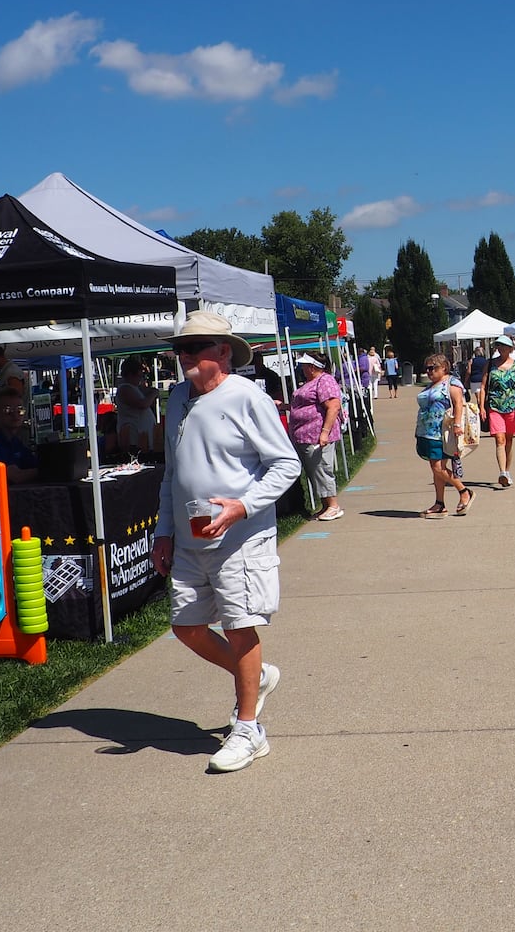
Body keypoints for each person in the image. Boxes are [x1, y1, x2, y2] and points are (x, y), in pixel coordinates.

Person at [149, 311, 301, 773]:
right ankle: (252, 676)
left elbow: (286, 464)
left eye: (194, 349)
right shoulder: (176, 399)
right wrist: (164, 531)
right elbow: (173, 473)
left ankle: (249, 729)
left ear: (222, 352)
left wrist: (242, 506)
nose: (184, 356)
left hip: (240, 538)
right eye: (180, 349)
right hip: (191, 537)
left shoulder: (246, 396)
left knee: (239, 627)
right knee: (186, 627)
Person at [415, 354, 475, 517]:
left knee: (438, 467)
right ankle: (439, 503)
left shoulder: (452, 383)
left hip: (442, 432)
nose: (428, 371)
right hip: (426, 432)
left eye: (432, 368)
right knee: (436, 469)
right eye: (426, 368)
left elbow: (458, 404)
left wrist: (457, 425)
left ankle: (464, 491)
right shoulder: (431, 386)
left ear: (444, 368)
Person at [286, 353, 343, 520]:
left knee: (321, 469)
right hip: (305, 436)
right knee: (314, 471)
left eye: (304, 365)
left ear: (312, 366)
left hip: (317, 435)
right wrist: (285, 406)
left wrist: (324, 433)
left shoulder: (325, 381)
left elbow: (333, 407)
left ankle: (333, 505)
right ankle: (325, 505)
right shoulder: (310, 383)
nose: (301, 368)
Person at [480, 335, 515, 486]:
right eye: (498, 346)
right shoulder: (490, 364)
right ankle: (502, 472)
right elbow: (483, 387)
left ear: (510, 349)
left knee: (509, 440)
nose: (500, 348)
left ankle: (507, 471)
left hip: (512, 406)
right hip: (494, 406)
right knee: (499, 439)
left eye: (504, 346)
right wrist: (482, 407)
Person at [0, 389, 38, 484]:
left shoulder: (16, 442)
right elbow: (16, 477)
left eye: (20, 410)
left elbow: (32, 464)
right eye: (8, 410)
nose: (15, 415)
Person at [113, 356, 157, 451]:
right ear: (130, 374)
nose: (140, 379)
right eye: (139, 376)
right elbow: (143, 404)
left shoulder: (133, 388)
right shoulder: (125, 389)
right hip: (134, 438)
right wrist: (153, 393)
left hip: (142, 437)